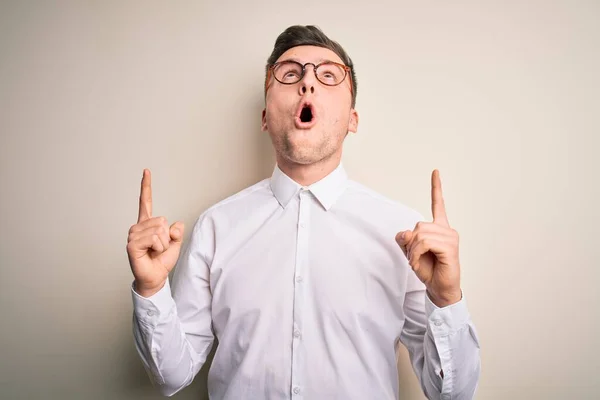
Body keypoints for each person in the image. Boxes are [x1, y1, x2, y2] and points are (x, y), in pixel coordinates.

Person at [127, 25, 481, 399]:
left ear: (353, 120)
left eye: (328, 75)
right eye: (290, 74)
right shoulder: (216, 227)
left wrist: (447, 298)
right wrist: (151, 289)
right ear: (265, 117)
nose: (307, 83)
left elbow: (451, 394)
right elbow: (171, 377)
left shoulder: (403, 233)